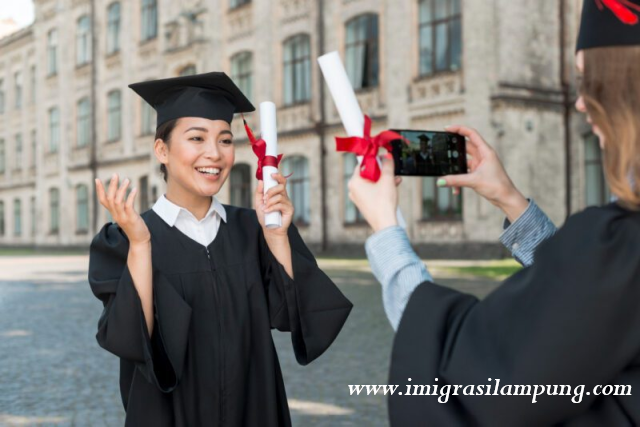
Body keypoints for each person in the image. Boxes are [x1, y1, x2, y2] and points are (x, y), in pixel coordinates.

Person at [347, 0, 640, 425]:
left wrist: (386, 230)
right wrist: (508, 199)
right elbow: (583, 305)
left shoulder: (619, 245)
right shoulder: (616, 254)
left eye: (588, 79)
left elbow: (471, 377)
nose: (580, 102)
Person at [88, 72, 353, 427]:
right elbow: (131, 339)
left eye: (225, 140)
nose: (214, 153)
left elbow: (301, 316)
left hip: (254, 411)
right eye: (196, 138)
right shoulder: (125, 240)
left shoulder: (252, 229)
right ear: (162, 150)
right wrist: (140, 244)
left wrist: (276, 236)